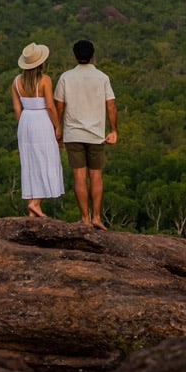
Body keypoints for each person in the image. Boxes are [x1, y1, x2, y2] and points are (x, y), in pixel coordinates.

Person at [54, 39, 117, 229]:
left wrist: (57, 129)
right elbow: (111, 105)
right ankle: (96, 217)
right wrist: (113, 130)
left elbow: (59, 105)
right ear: (92, 55)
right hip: (96, 134)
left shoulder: (66, 77)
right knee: (96, 176)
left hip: (73, 134)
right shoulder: (102, 77)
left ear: (75, 56)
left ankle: (84, 219)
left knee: (79, 176)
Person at [11, 42, 64, 217]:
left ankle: (32, 207)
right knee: (45, 159)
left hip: (25, 120)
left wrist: (23, 125)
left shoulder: (17, 82)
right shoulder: (45, 80)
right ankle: (35, 203)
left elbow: (17, 108)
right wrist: (57, 126)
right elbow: (50, 106)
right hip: (41, 120)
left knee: (29, 162)